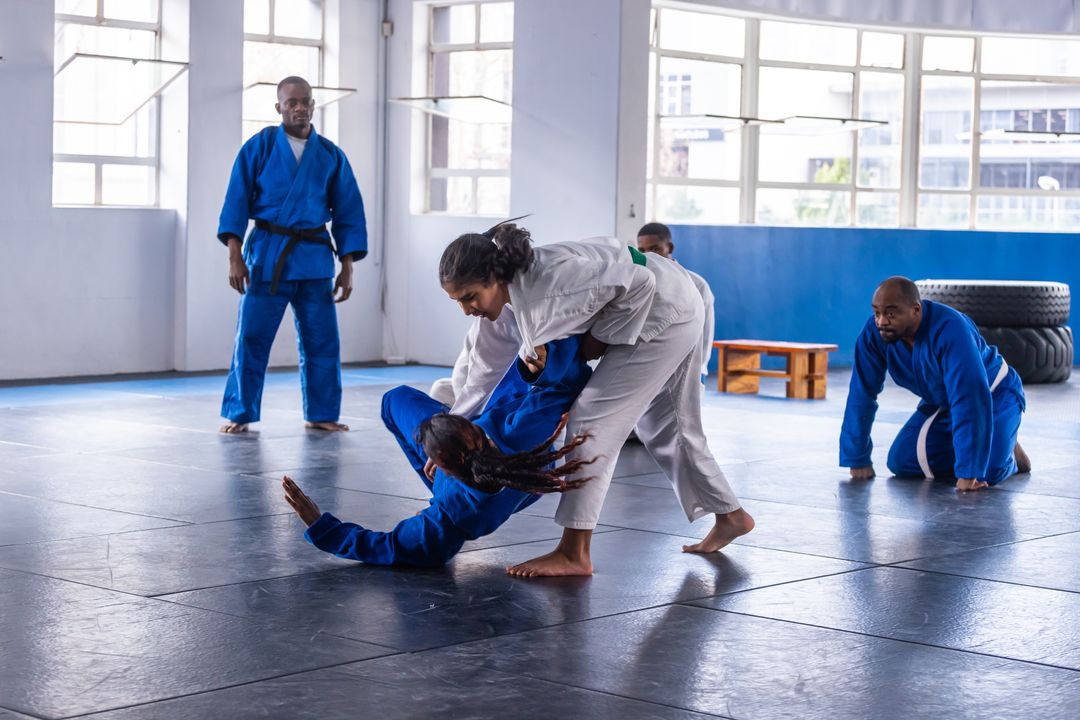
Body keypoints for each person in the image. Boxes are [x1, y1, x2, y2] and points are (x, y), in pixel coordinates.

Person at [438, 223, 754, 578]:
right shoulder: (505, 302)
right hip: (673, 297)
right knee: (664, 425)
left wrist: (597, 344)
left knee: (591, 420)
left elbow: (639, 282)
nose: (467, 309)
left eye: (469, 297)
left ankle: (575, 552)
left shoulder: (547, 290)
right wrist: (451, 437)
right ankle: (730, 515)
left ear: (494, 277)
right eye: (458, 301)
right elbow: (481, 376)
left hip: (665, 308)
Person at [282, 335, 594, 567]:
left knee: (394, 400)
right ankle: (447, 428)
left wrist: (320, 525)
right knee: (399, 399)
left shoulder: (447, 518)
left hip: (455, 476)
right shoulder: (523, 431)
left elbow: (389, 547)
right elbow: (568, 379)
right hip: (488, 449)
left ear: (441, 465)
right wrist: (539, 364)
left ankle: (444, 430)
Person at [217, 76, 368, 434]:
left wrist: (347, 267)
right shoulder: (260, 147)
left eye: (305, 101)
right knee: (251, 337)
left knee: (322, 340)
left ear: (313, 105)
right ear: (279, 107)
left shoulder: (331, 154)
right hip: (268, 256)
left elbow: (348, 211)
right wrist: (234, 255)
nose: (299, 108)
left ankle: (321, 412)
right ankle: (240, 411)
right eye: (291, 103)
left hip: (314, 258)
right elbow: (236, 201)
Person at [840, 276, 1031, 491]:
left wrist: (968, 473)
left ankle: (1009, 454)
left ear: (916, 310)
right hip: (943, 401)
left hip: (994, 393)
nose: (881, 321)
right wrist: (857, 458)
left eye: (891, 314)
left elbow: (969, 397)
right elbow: (861, 392)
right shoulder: (875, 334)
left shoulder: (951, 329)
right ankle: (985, 441)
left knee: (987, 472)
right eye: (877, 312)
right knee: (901, 462)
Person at [636, 222, 715, 381]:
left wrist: (699, 370)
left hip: (687, 368)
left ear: (669, 248)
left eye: (655, 249)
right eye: (642, 251)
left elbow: (705, 331)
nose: (649, 255)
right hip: (649, 366)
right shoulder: (640, 282)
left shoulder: (696, 284)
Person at [428, 305, 522, 419]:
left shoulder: (501, 313)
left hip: (511, 394)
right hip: (479, 393)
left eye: (469, 297)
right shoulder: (485, 320)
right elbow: (464, 370)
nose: (466, 311)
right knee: (440, 388)